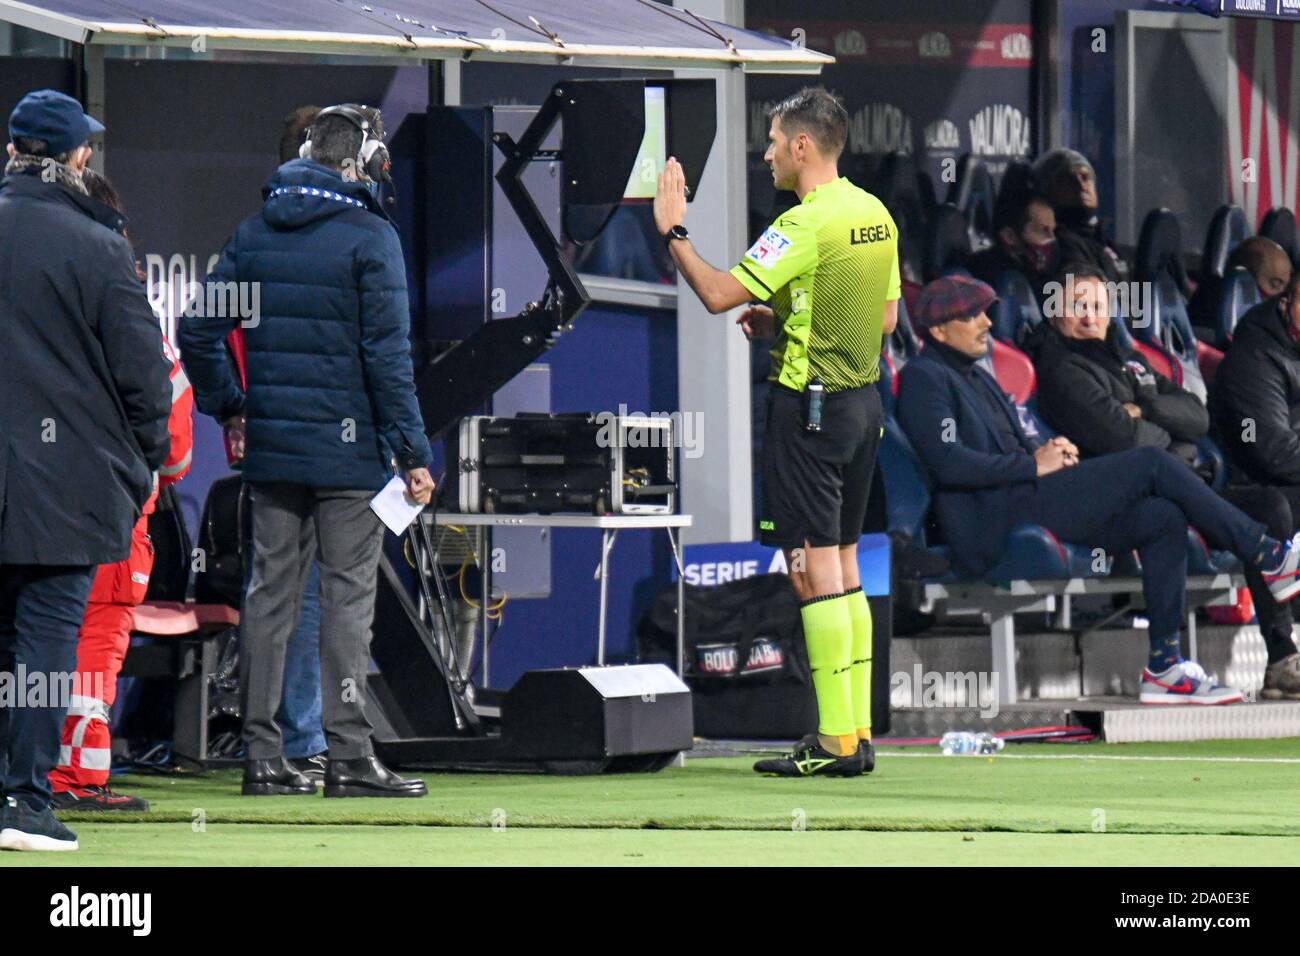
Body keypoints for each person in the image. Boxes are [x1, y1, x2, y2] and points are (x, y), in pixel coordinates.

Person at [180, 103, 434, 798]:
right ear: (358, 164)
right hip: (348, 456)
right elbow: (388, 360)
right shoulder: (370, 237)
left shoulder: (256, 234)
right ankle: (349, 758)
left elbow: (196, 331)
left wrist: (233, 405)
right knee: (347, 603)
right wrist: (414, 452)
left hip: (274, 452)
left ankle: (263, 760)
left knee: (267, 599)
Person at [897, 274, 1300, 705]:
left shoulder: (977, 376)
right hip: (993, 515)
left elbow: (1015, 445)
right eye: (970, 315)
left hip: (1024, 492)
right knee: (1150, 464)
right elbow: (949, 463)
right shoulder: (926, 377)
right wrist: (1031, 464)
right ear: (938, 331)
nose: (986, 323)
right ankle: (1266, 553)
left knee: (1164, 516)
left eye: (983, 312)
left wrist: (1048, 451)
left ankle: (1165, 665)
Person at [653, 86, 899, 776]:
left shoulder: (801, 222)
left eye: (771, 141)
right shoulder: (874, 212)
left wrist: (673, 228)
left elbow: (715, 294)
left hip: (809, 412)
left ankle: (832, 744)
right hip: (864, 409)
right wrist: (788, 315)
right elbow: (881, 320)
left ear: (801, 146)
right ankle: (855, 735)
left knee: (815, 570)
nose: (764, 154)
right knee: (846, 566)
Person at [0, 90, 171, 850]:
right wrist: (146, 463)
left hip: (42, 481)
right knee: (41, 643)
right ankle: (21, 801)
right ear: (74, 159)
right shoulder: (98, 245)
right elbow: (146, 376)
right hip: (62, 489)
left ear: (12, 151)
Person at [1027, 264, 1300, 698]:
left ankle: (1282, 655)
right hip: (1115, 495)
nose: (1089, 315)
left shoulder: (1125, 358)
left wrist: (1146, 406)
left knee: (1270, 506)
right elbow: (1121, 439)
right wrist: (1159, 425)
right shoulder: (1063, 368)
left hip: (1179, 480)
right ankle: (1265, 555)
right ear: (1055, 310)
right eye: (1076, 305)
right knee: (1162, 498)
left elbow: (1198, 414)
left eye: (1097, 305)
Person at [46, 169, 195, 812]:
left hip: (26, 506)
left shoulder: (27, 308)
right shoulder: (131, 320)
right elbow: (177, 445)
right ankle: (74, 780)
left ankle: (25, 776)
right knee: (92, 648)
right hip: (110, 516)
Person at [1211, 270, 1300, 698]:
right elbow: (1270, 450)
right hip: (1247, 486)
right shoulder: (1255, 356)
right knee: (1273, 512)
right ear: (1286, 303)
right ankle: (1282, 658)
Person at [1032, 148, 1125, 283]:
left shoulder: (1103, 240)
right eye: (1069, 180)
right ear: (1048, 190)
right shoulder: (1058, 245)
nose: (1081, 185)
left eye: (1085, 177)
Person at [965, 189, 1057, 302]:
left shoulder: (1035, 272)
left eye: (1053, 230)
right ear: (1009, 237)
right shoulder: (995, 279)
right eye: (1043, 230)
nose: (1052, 238)